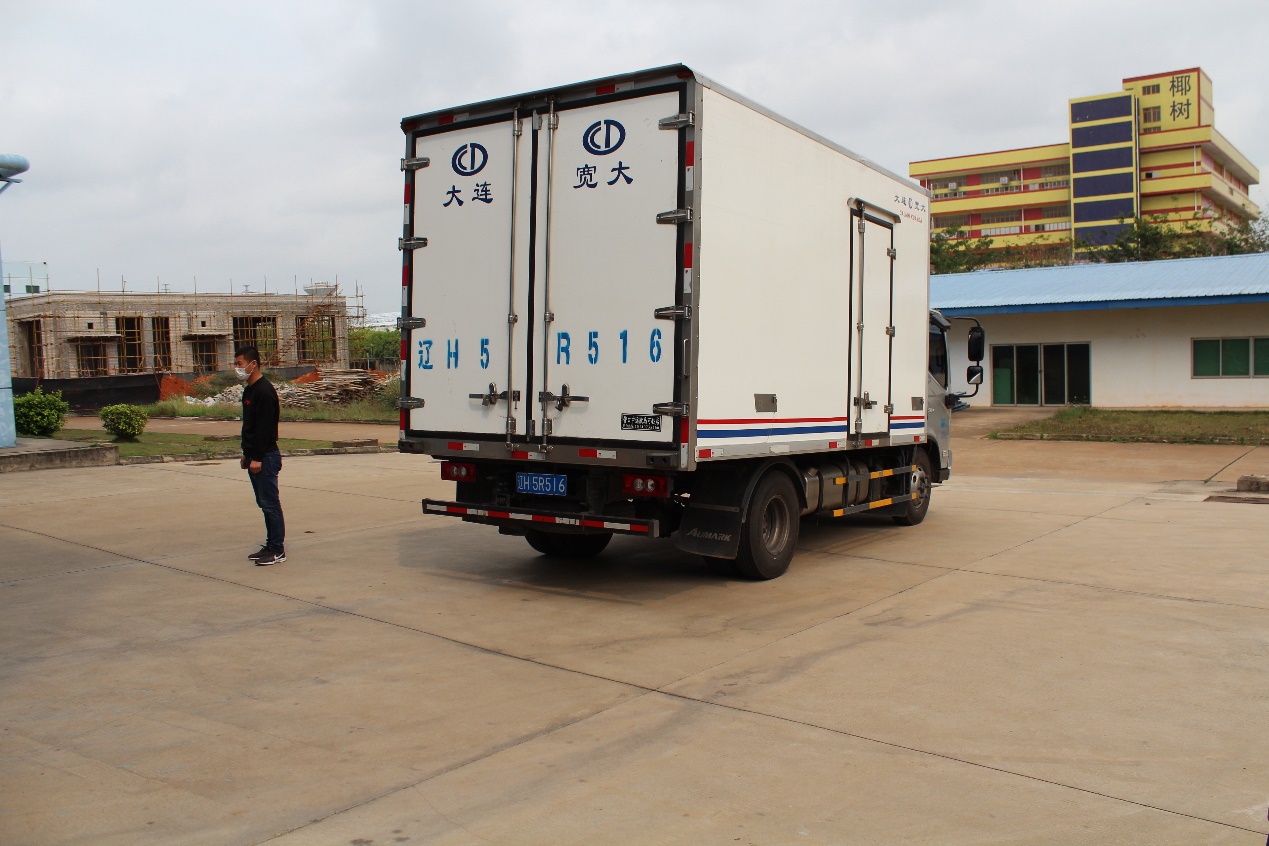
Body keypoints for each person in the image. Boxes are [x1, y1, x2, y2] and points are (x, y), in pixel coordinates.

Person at [235, 345, 285, 565]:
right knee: (264, 503)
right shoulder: (250, 390)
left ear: (253, 364)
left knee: (271, 504)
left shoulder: (264, 391)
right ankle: (270, 544)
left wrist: (257, 458)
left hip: (266, 457)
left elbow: (265, 429)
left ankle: (278, 550)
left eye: (240, 364)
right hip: (255, 455)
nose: (237, 368)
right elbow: (250, 427)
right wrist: (247, 453)